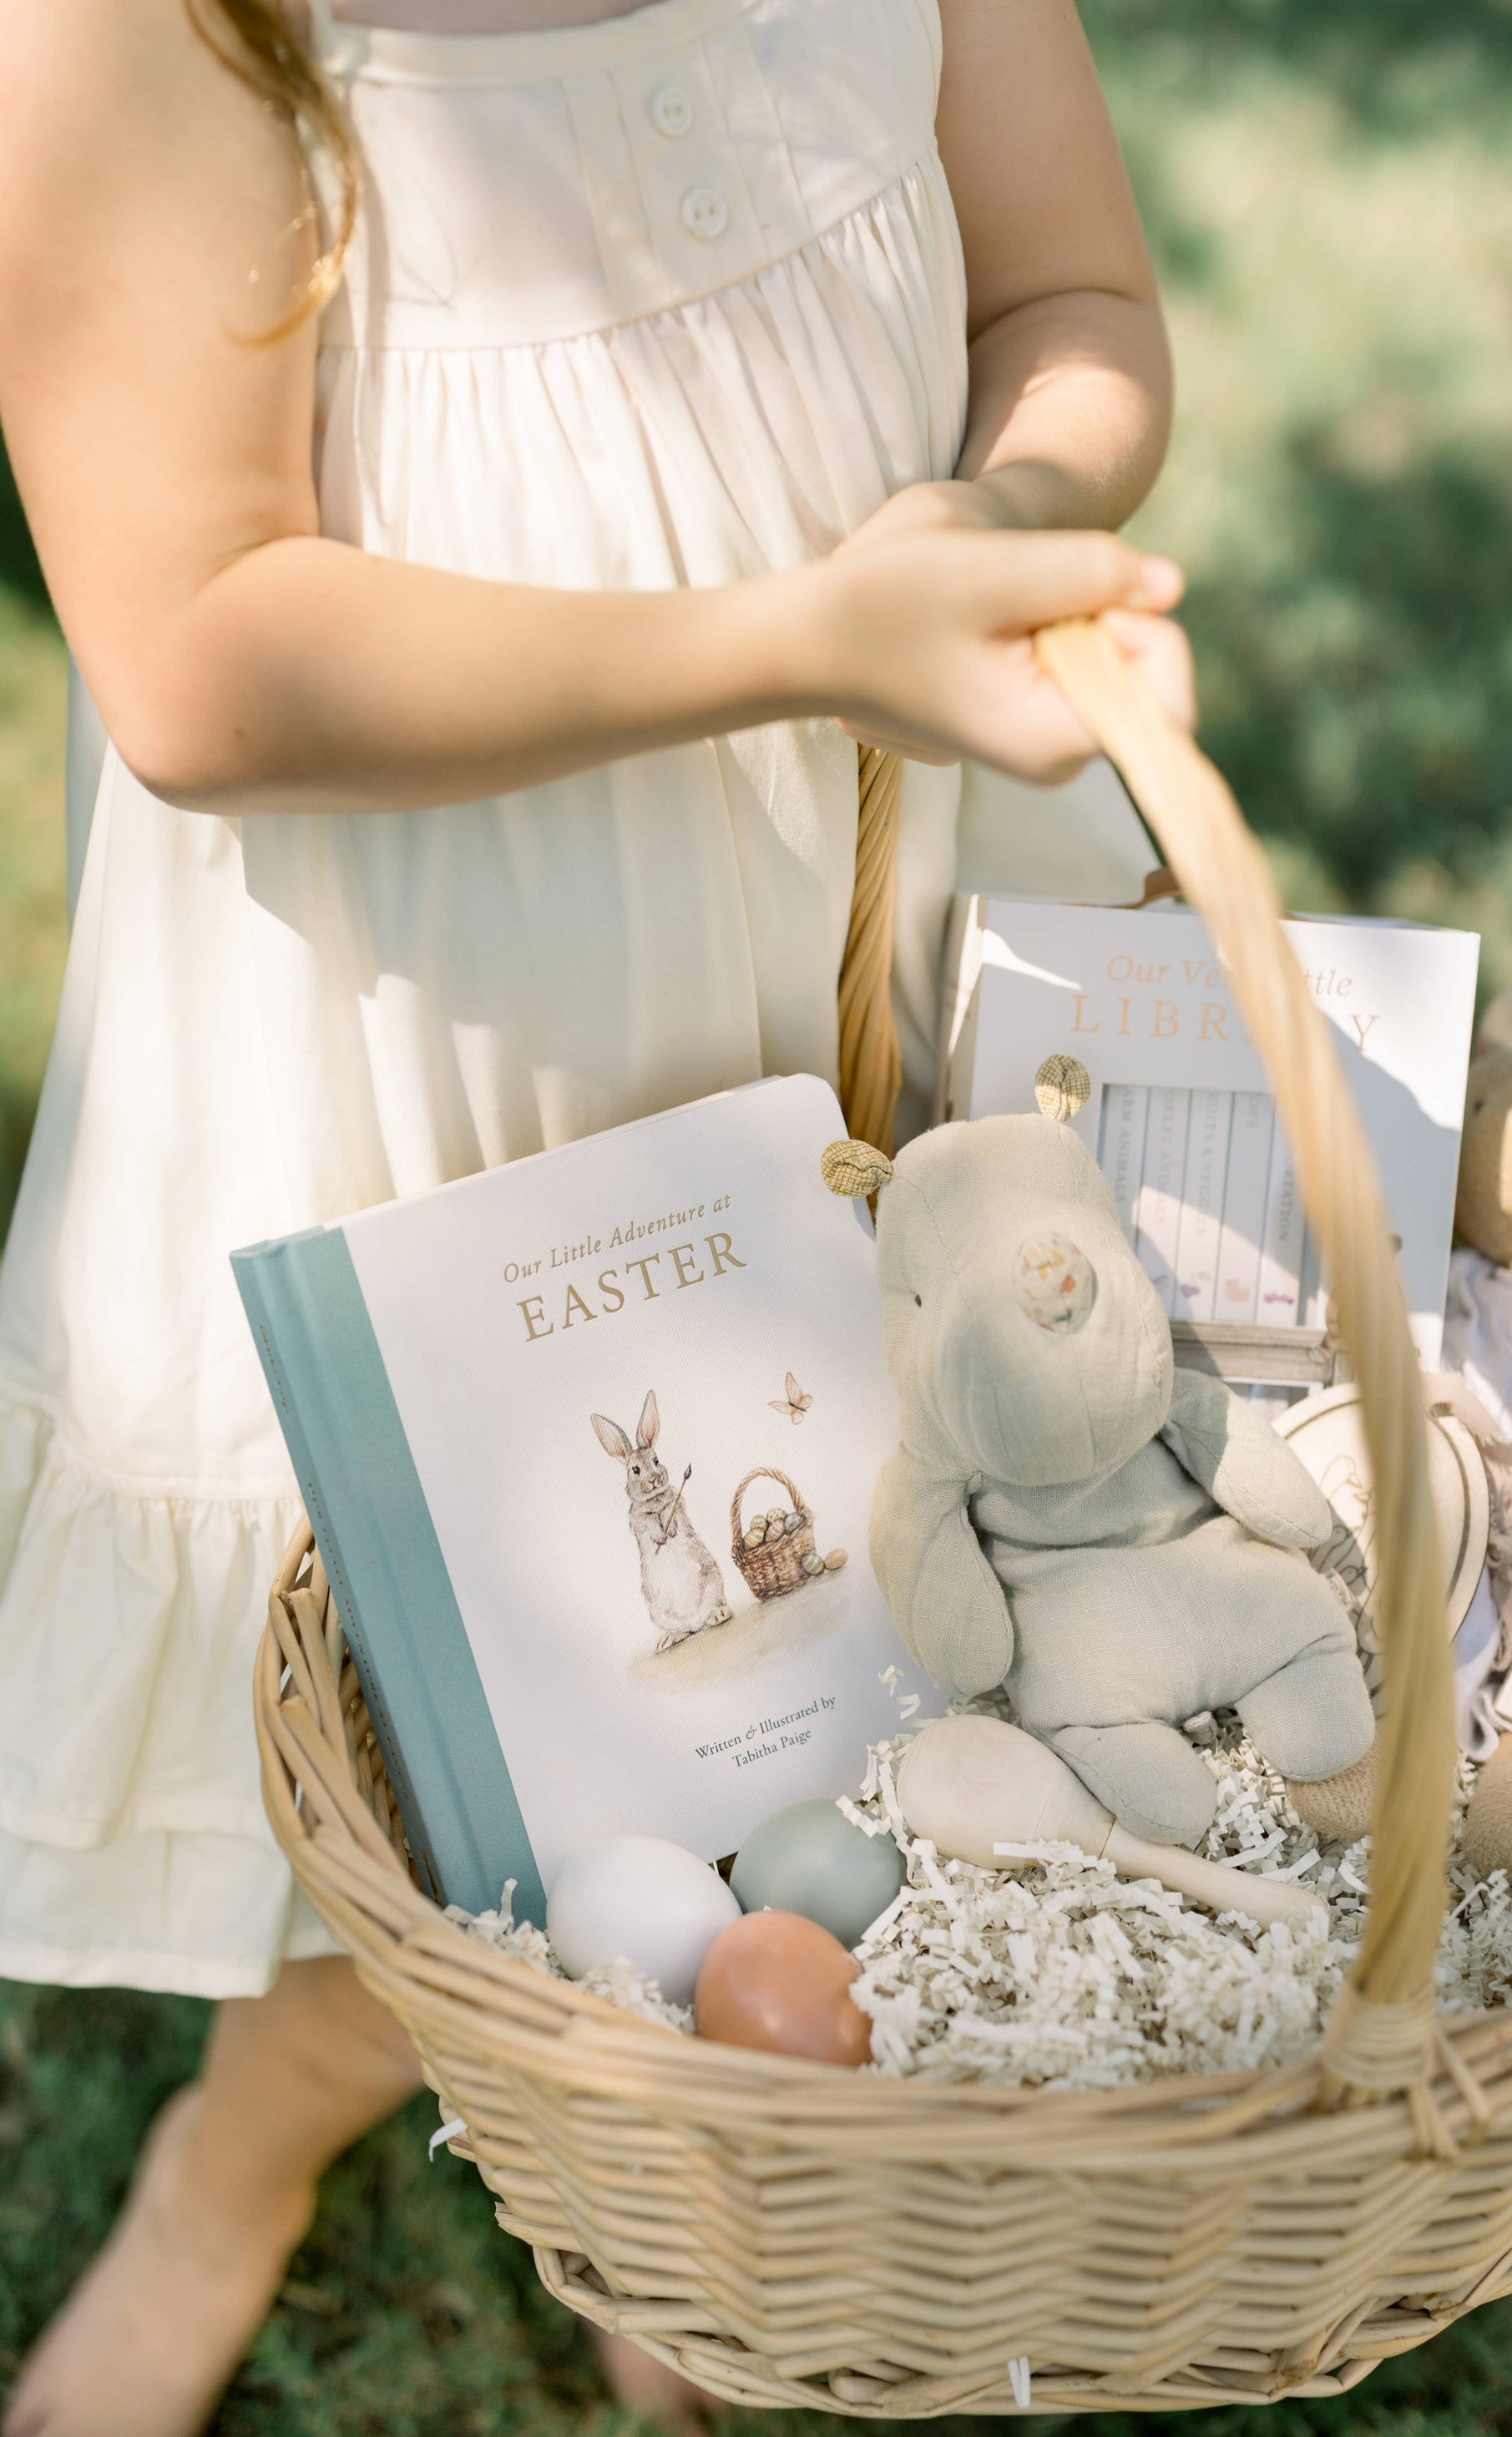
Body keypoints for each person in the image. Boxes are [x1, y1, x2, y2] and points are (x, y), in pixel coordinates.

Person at [0, 1, 1190, 2429]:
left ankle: (676, 2121)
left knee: (847, 1645)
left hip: (849, 910)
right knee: (465, 1756)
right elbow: (189, 650)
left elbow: (1068, 294)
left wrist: (991, 518)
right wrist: (793, 641)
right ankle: (237, 2173)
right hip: (455, 1012)